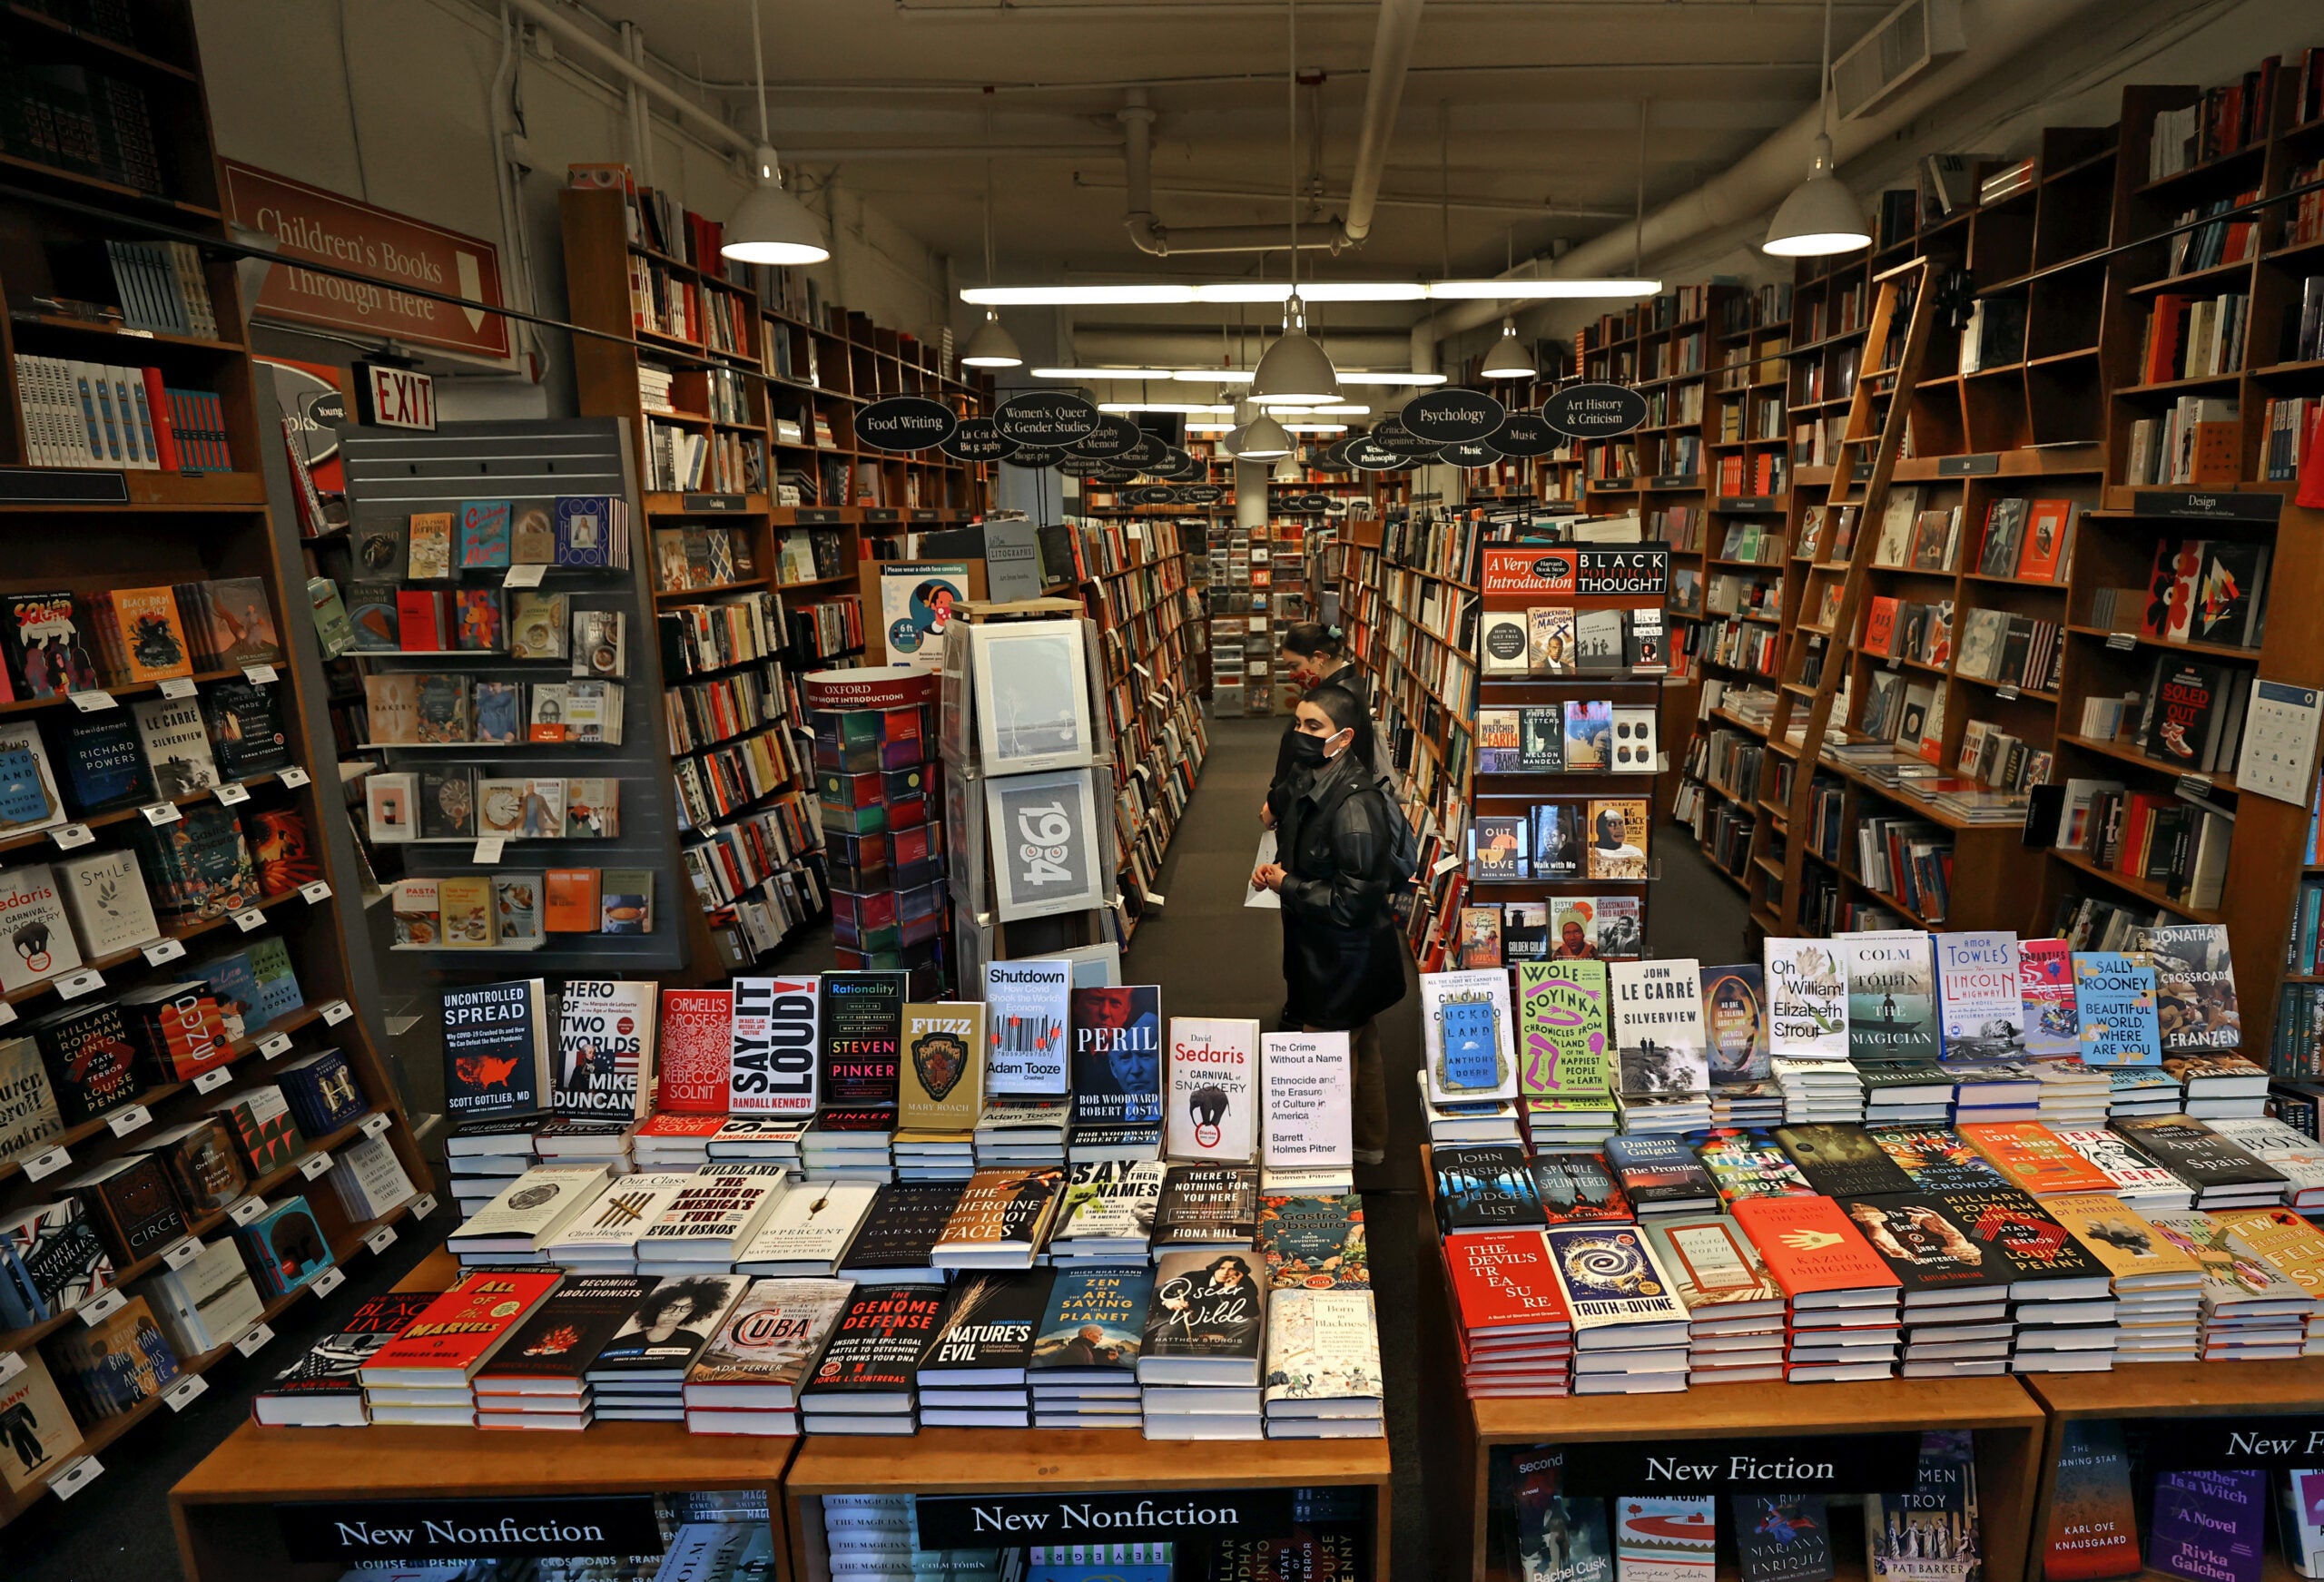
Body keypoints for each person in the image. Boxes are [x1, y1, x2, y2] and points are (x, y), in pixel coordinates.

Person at [1252, 686, 1403, 1166]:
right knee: (1364, 1047)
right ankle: (1370, 1146)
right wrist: (1278, 862)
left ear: (1344, 738)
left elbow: (1354, 900)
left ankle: (1321, 1163)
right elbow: (1290, 814)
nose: (1300, 735)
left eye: (1313, 727)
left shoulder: (1357, 807)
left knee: (1322, 1066)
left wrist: (1287, 883)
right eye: (1297, 724)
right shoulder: (1311, 773)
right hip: (1324, 950)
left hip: (1343, 959)